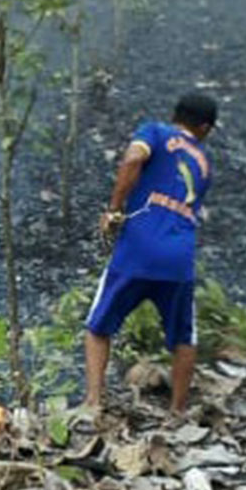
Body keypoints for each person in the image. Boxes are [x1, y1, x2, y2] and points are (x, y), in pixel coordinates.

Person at [83, 92, 217, 416]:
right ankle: (177, 412)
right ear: (204, 127)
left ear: (176, 115)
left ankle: (93, 402)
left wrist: (114, 210)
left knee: (98, 326)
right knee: (184, 337)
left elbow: (132, 159)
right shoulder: (204, 163)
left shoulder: (155, 132)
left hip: (137, 249)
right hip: (178, 258)